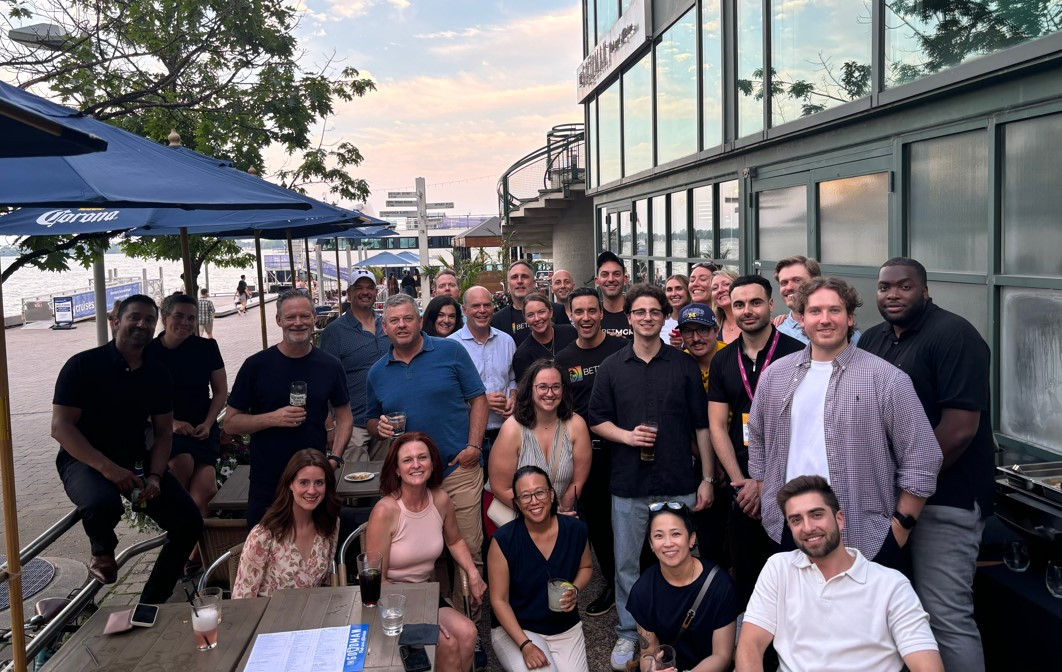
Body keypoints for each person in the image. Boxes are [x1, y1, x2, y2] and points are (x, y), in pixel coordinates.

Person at [748, 277, 942, 570]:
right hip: (789, 532)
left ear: (850, 318)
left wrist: (901, 526)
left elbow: (923, 457)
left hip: (865, 536)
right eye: (815, 311)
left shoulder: (886, 380)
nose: (825, 320)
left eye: (834, 310)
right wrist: (768, 501)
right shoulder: (775, 376)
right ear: (800, 318)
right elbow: (759, 439)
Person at [858, 257, 994, 671]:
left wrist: (907, 489)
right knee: (890, 614)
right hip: (886, 503)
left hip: (944, 502)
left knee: (943, 617)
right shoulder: (872, 340)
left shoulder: (954, 336)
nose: (893, 295)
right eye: (885, 288)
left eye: (904, 287)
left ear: (925, 289)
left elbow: (958, 431)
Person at [587, 283, 715, 671]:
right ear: (629, 318)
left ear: (664, 317)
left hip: (678, 480)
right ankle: (630, 632)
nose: (646, 318)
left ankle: (685, 629)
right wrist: (626, 435)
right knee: (626, 564)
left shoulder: (684, 366)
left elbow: (701, 427)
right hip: (628, 484)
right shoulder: (611, 367)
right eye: (639, 312)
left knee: (686, 558)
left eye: (654, 312)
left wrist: (707, 477)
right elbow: (595, 420)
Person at [51, 294, 203, 602]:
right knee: (103, 502)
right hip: (84, 458)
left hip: (136, 457)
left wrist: (157, 477)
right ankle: (102, 553)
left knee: (189, 521)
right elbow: (61, 427)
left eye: (149, 320)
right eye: (134, 317)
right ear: (116, 321)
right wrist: (108, 468)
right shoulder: (82, 366)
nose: (142, 324)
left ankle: (153, 601)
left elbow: (163, 434)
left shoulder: (157, 373)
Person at [736, 476, 943, 672]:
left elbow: (926, 665)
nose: (808, 527)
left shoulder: (891, 584)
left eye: (816, 515)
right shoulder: (779, 568)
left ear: (840, 519)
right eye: (796, 520)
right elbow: (750, 645)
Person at [367, 293, 489, 591]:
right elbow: (370, 419)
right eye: (394, 320)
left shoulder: (451, 351)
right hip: (410, 478)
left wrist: (473, 447)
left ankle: (470, 628)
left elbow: (479, 398)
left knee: (468, 550)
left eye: (408, 318)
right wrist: (378, 427)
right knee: (417, 555)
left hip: (455, 468)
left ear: (421, 321)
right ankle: (432, 614)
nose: (402, 325)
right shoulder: (377, 372)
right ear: (384, 328)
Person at [706, 275, 805, 608]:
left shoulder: (797, 355)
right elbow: (717, 426)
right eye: (739, 304)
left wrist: (767, 485)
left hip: (788, 482)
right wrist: (740, 483)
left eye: (755, 302)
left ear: (771, 305)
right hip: (741, 484)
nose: (747, 311)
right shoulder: (722, 359)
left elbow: (805, 426)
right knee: (747, 574)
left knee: (792, 575)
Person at [224, 290, 353, 528]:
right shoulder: (256, 366)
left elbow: (345, 418)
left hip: (313, 482)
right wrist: (273, 418)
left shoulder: (329, 365)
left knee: (317, 554)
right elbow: (230, 423)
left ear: (314, 317)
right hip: (268, 481)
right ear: (278, 321)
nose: (298, 323)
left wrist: (334, 458)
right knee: (264, 555)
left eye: (304, 316)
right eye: (290, 317)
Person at [366, 433, 486, 672]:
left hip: (426, 593)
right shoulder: (385, 511)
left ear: (432, 463)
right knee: (448, 645)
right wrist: (420, 616)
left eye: (423, 457)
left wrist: (473, 573)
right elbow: (377, 579)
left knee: (468, 632)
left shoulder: (440, 500)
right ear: (397, 470)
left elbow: (455, 540)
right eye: (407, 460)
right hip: (391, 603)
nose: (417, 465)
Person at [554, 287, 627, 617]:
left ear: (601, 313)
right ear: (569, 315)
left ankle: (639, 582)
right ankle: (612, 583)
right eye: (578, 312)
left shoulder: (621, 349)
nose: (585, 318)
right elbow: (561, 410)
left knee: (630, 521)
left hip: (624, 450)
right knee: (598, 524)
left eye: (591, 311)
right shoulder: (564, 359)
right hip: (588, 455)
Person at [144, 294, 227, 572]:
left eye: (191, 318)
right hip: (164, 430)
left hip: (203, 427)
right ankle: (188, 548)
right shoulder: (148, 352)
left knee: (206, 488)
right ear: (164, 318)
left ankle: (186, 550)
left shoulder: (206, 348)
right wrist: (173, 423)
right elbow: (137, 399)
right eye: (178, 316)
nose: (185, 322)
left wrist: (208, 421)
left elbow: (220, 392)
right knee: (184, 463)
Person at [489, 466, 593, 672]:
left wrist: (575, 589)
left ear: (551, 494)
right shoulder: (504, 540)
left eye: (540, 492)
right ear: (517, 503)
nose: (534, 501)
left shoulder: (576, 530)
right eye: (525, 496)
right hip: (518, 629)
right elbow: (498, 601)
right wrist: (525, 645)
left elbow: (587, 566)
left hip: (565, 628)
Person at [628, 502, 738, 672]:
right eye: (658, 536)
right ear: (650, 544)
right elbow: (648, 651)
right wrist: (651, 668)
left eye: (676, 534)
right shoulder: (642, 591)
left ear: (691, 539)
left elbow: (721, 656)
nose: (668, 543)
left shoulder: (720, 585)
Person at [489, 359, 591, 520]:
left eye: (556, 387)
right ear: (530, 389)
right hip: (522, 518)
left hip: (562, 515)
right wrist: (543, 514)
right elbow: (501, 487)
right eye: (542, 387)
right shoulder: (512, 430)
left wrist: (560, 512)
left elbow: (576, 482)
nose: (550, 393)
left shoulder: (576, 425)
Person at [232, 449, 341, 598]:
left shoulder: (330, 524)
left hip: (314, 615)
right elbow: (241, 601)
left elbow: (326, 584)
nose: (312, 490)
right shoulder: (263, 535)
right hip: (270, 619)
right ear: (290, 484)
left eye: (319, 483)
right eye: (303, 482)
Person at [319, 270, 390, 462]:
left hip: (386, 422)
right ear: (349, 294)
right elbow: (322, 383)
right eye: (358, 288)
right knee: (356, 484)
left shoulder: (387, 325)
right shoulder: (334, 332)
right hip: (353, 424)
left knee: (385, 481)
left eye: (369, 288)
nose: (364, 292)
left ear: (376, 293)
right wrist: (330, 426)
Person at [449, 286, 516, 467]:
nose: (482, 311)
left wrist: (513, 396)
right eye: (475, 306)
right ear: (464, 310)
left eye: (486, 305)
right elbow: (447, 394)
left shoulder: (506, 341)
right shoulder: (451, 346)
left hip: (505, 434)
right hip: (468, 439)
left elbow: (512, 378)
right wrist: (480, 401)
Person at [511, 292, 578, 381]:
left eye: (541, 312)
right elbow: (526, 390)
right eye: (530, 315)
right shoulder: (523, 355)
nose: (537, 318)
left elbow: (580, 363)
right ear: (525, 318)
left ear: (551, 312)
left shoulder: (570, 333)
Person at [771, 255, 821, 344]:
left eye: (797, 280)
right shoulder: (775, 332)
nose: (789, 287)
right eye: (784, 283)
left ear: (816, 282)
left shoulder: (837, 327)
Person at [595, 251, 632, 338]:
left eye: (616, 274)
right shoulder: (592, 317)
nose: (611, 279)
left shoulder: (639, 313)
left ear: (625, 279)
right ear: (597, 281)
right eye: (605, 275)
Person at [711, 269, 739, 343]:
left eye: (726, 284)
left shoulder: (755, 321)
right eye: (715, 288)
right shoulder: (713, 328)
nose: (720, 290)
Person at [662, 273, 691, 342]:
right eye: (669, 290)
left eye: (679, 289)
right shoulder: (661, 322)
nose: (673, 294)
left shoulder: (699, 320)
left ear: (688, 291)